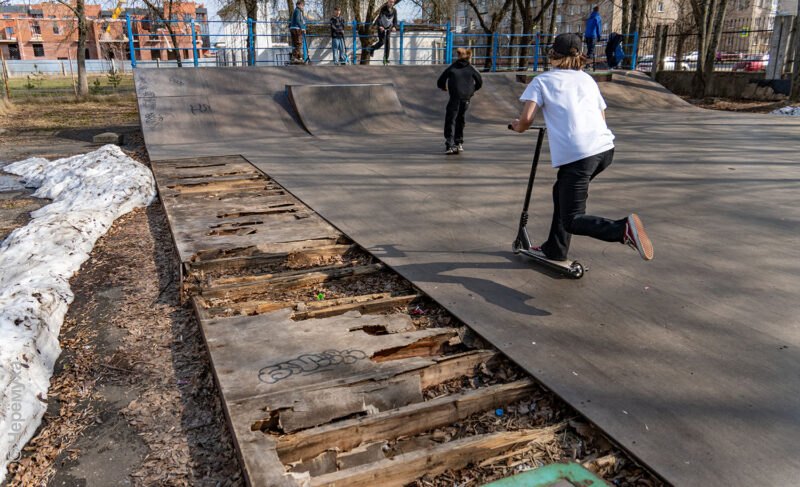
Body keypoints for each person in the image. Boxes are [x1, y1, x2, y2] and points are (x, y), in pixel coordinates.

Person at [510, 33, 653, 262]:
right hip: (605, 150)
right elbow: (601, 117)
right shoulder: (587, 79)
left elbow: (526, 119)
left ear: (553, 55)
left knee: (573, 219)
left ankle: (622, 230)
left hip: (579, 157)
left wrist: (517, 126)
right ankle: (555, 249)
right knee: (561, 193)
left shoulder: (543, 81)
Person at [436, 47, 483, 155]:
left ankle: (450, 145)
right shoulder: (471, 68)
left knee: (451, 119)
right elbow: (479, 82)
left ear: (458, 56)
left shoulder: (452, 67)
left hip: (455, 97)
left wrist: (443, 87)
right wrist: (472, 90)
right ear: (468, 57)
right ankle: (458, 143)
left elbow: (440, 80)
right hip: (466, 98)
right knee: (460, 119)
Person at [366, 0, 399, 65]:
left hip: (388, 28)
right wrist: (380, 26)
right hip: (382, 28)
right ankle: (372, 48)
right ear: (388, 2)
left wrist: (394, 27)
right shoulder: (383, 9)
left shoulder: (394, 11)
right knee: (382, 42)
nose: (391, 3)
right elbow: (379, 18)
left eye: (392, 2)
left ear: (394, 3)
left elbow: (395, 20)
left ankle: (385, 59)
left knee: (387, 44)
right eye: (390, 2)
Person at [289, 0, 307, 64]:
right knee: (299, 43)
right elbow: (297, 20)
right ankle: (294, 57)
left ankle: (299, 57)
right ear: (299, 5)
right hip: (296, 29)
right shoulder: (297, 11)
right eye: (302, 5)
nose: (303, 7)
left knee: (296, 44)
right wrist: (302, 28)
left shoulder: (296, 11)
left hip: (293, 28)